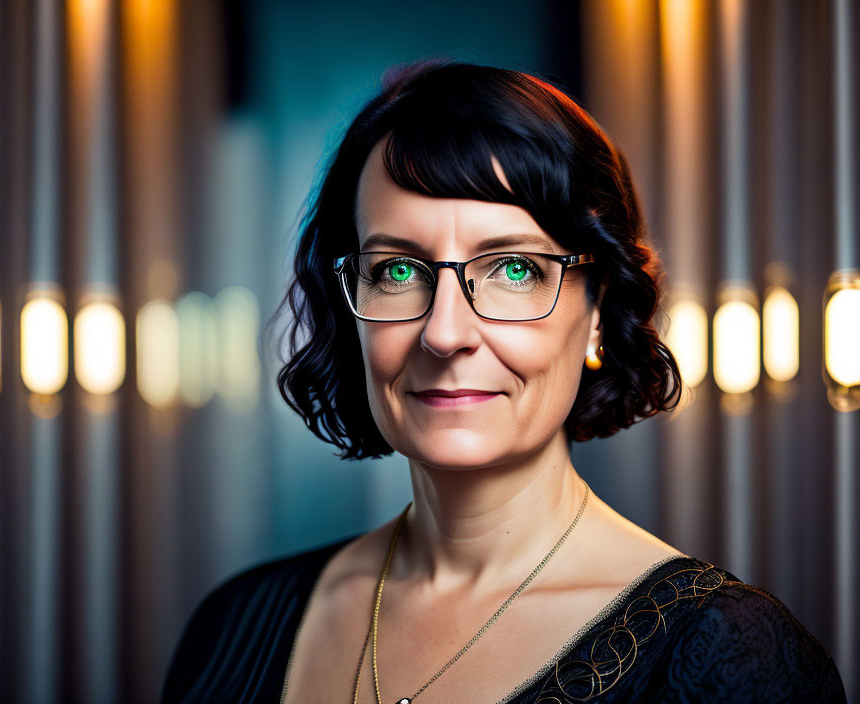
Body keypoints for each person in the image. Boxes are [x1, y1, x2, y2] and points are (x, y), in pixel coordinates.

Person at [161, 60, 846, 703]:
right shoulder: (234, 623)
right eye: (398, 270)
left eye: (514, 268)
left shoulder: (731, 656)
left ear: (600, 311)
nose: (445, 332)